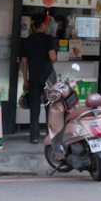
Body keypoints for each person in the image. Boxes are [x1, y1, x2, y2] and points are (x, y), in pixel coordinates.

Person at [20, 14, 57, 144]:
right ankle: (50, 136)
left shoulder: (27, 40)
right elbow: (52, 58)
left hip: (33, 77)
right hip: (48, 77)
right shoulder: (48, 39)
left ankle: (34, 137)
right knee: (50, 107)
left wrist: (25, 80)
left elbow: (24, 62)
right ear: (43, 25)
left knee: (34, 108)